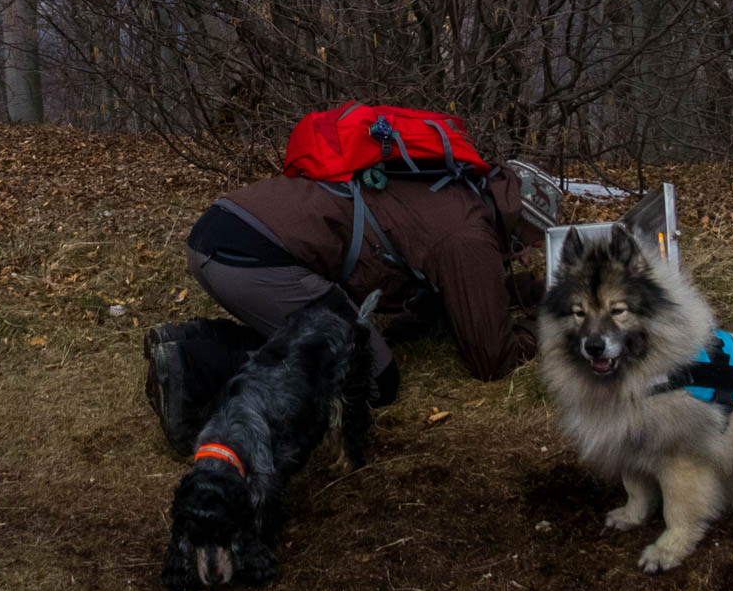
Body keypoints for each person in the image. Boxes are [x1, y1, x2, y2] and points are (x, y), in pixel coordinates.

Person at [144, 167, 547, 453]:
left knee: (314, 329)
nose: (527, 256)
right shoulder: (468, 236)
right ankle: (192, 368)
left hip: (222, 233)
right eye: (528, 243)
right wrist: (552, 327)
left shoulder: (452, 188)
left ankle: (188, 337)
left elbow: (455, 290)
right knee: (371, 375)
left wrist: (530, 291)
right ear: (515, 223)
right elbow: (491, 358)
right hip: (251, 258)